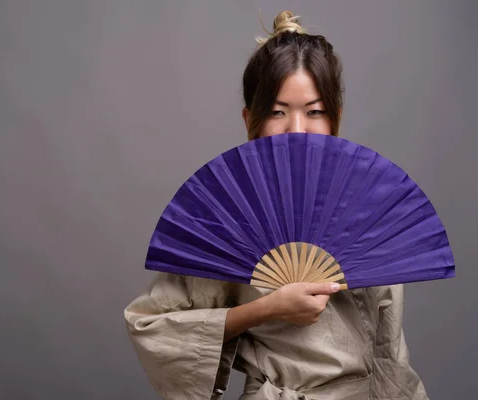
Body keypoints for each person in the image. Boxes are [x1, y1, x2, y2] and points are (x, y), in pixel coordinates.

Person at [124, 10, 428, 400]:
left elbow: (390, 352)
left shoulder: (370, 204)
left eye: (314, 112)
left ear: (335, 119)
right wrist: (267, 308)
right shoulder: (226, 214)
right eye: (277, 112)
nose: (296, 129)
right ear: (251, 119)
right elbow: (152, 327)